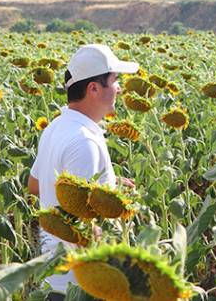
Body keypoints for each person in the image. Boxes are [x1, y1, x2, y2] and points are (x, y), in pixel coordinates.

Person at [27, 44, 138, 301]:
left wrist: (108, 186)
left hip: (56, 276)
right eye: (115, 81)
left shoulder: (57, 126)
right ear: (94, 88)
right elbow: (85, 231)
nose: (119, 88)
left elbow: (36, 184)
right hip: (82, 285)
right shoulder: (84, 142)